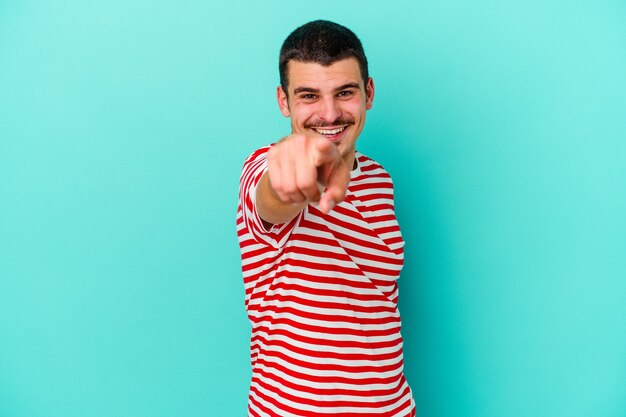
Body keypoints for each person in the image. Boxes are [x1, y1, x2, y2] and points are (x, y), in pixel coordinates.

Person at [237, 20, 415, 417]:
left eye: (345, 92)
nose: (330, 113)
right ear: (284, 103)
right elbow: (271, 198)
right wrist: (290, 169)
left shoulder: (379, 178)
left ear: (368, 93)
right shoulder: (265, 167)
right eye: (309, 96)